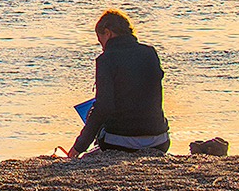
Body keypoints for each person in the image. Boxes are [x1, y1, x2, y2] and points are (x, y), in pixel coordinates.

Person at [67, 9, 170, 158]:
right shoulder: (150, 53)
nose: (102, 47)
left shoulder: (106, 59)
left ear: (108, 33)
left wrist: (79, 146)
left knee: (94, 113)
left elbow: (104, 108)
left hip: (121, 142)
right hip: (159, 140)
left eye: (100, 41)